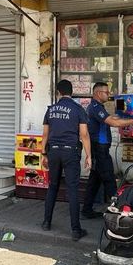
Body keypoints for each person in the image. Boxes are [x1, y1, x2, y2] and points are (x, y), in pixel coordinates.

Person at [81, 82, 133, 219]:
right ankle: (116, 213)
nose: (109, 94)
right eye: (106, 92)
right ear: (99, 93)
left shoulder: (98, 107)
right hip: (99, 149)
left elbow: (112, 119)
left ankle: (87, 210)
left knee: (94, 181)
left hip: (99, 148)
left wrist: (127, 117)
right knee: (110, 180)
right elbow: (113, 122)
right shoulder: (94, 107)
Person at [39, 79, 91, 241]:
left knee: (52, 186)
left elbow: (45, 134)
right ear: (71, 92)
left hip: (53, 152)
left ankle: (46, 222)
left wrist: (43, 153)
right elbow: (84, 134)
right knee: (73, 189)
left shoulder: (51, 110)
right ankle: (76, 230)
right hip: (70, 152)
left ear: (58, 92)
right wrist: (89, 155)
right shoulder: (78, 109)